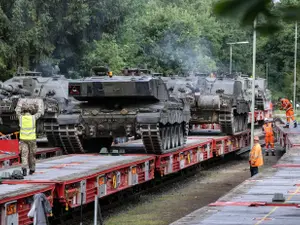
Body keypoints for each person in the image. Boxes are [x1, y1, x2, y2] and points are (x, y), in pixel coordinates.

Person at [16, 102, 42, 176]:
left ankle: (24, 169)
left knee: (24, 154)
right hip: (32, 139)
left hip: (23, 139)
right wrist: (38, 104)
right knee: (32, 155)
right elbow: (39, 112)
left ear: (23, 111)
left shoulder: (21, 117)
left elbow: (17, 111)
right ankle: (32, 169)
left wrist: (20, 104)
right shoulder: (33, 118)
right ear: (31, 111)